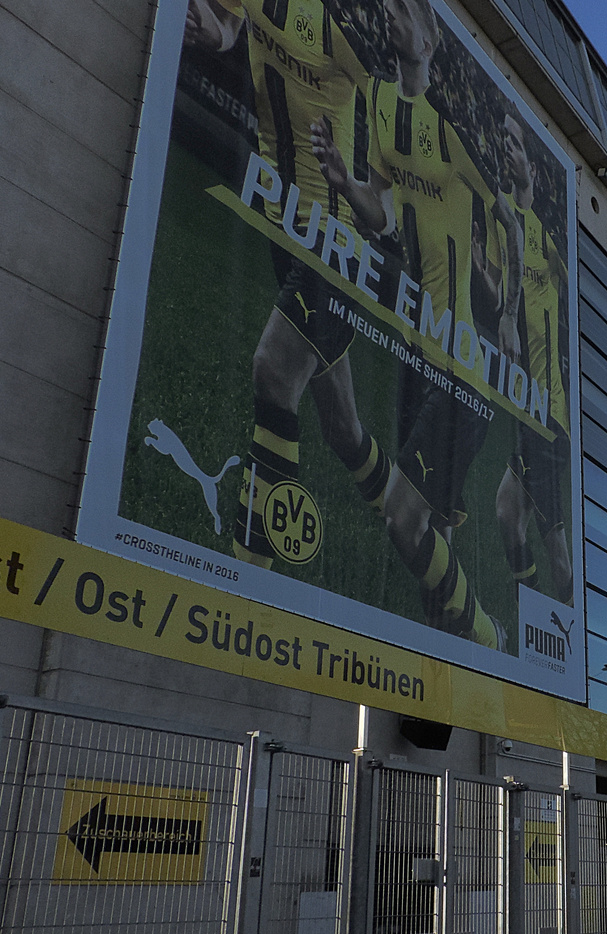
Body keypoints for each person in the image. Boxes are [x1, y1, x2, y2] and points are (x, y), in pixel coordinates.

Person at [311, 0, 521, 647]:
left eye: (407, 11)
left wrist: (509, 315)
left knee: (404, 521)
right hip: (416, 354)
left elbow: (508, 221)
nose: (393, 17)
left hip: (462, 366)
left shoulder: (450, 135)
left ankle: (487, 636)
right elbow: (383, 223)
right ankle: (452, 664)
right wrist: (348, 186)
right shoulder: (381, 116)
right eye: (392, 9)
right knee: (435, 537)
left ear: (431, 41)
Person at [185, 0, 391, 570]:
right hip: (284, 230)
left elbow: (388, 153)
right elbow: (230, 27)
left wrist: (368, 191)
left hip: (336, 242)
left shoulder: (344, 33)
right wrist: (214, 34)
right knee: (344, 430)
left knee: (273, 373)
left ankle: (252, 583)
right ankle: (432, 562)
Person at [494, 109, 572, 603]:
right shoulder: (499, 211)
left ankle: (563, 626)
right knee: (506, 511)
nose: (507, 148)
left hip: (547, 411)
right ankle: (538, 618)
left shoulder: (549, 239)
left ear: (535, 169)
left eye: (516, 143)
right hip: (526, 405)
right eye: (502, 140)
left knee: (557, 548)